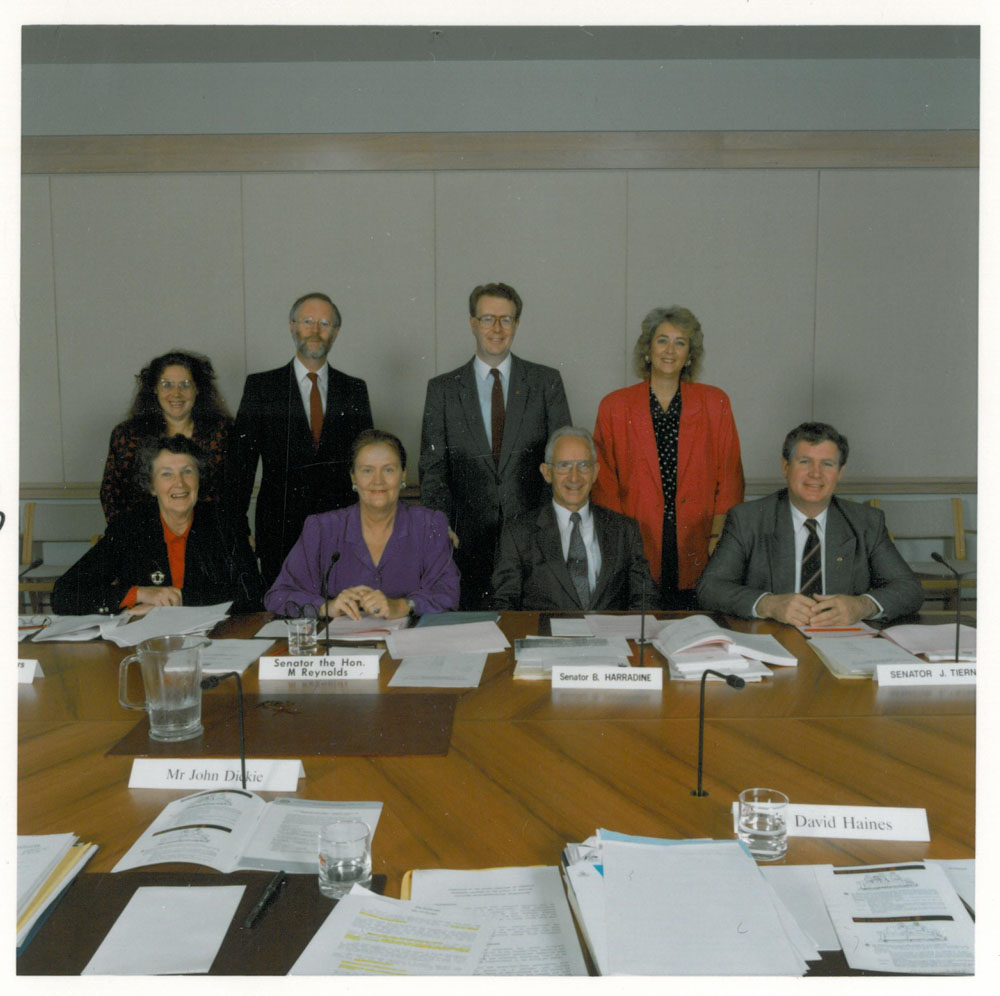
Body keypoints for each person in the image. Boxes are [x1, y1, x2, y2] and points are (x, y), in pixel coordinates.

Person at [419, 282, 571, 609]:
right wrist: (439, 525)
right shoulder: (442, 390)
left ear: (517, 324)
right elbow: (433, 471)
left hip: (535, 539)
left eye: (506, 319)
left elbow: (563, 463)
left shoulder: (546, 383)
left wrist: (554, 527)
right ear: (473, 323)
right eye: (488, 319)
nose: (497, 328)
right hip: (465, 542)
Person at [696, 422, 923, 625]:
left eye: (827, 464)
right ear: (785, 467)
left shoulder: (866, 522)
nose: (816, 474)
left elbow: (909, 589)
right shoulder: (748, 519)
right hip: (771, 637)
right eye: (805, 462)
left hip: (843, 640)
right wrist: (768, 604)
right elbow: (710, 587)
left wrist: (862, 606)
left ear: (840, 472)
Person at [592, 306, 744, 609]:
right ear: (648, 348)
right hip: (637, 539)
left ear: (690, 354)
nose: (670, 350)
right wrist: (621, 545)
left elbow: (730, 476)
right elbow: (604, 484)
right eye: (662, 340)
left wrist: (718, 538)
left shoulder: (715, 402)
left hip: (699, 539)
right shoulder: (615, 406)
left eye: (680, 342)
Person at [229, 292, 373, 588]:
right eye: (307, 321)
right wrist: (239, 532)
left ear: (336, 331)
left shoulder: (354, 389)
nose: (315, 330)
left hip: (341, 533)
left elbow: (366, 466)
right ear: (292, 326)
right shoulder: (261, 388)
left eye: (324, 323)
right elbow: (240, 468)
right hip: (279, 533)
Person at [54, 435, 263, 616]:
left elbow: (252, 594)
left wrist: (178, 601)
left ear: (199, 479)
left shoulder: (225, 524)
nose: (179, 483)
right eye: (166, 474)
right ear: (151, 485)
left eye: (187, 471)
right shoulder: (130, 528)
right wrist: (139, 594)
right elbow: (64, 594)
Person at [265, 429, 459, 620]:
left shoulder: (429, 525)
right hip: (340, 640)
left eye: (388, 469)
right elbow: (278, 595)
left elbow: (448, 593)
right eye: (367, 470)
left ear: (403, 475)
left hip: (411, 639)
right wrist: (326, 607)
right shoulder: (321, 528)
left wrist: (402, 605)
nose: (378, 481)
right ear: (353, 477)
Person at [493, 427, 655, 611]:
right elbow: (504, 604)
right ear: (547, 472)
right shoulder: (518, 534)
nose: (574, 476)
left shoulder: (625, 530)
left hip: (610, 630)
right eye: (564, 465)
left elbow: (645, 599)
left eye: (583, 465)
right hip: (544, 630)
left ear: (595, 472)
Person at [100, 350, 232, 522]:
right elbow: (111, 493)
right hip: (141, 531)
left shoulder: (223, 432)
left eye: (185, 384)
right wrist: (126, 533)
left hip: (209, 531)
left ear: (197, 389)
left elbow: (234, 493)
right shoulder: (126, 435)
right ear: (155, 388)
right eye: (167, 384)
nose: (176, 393)